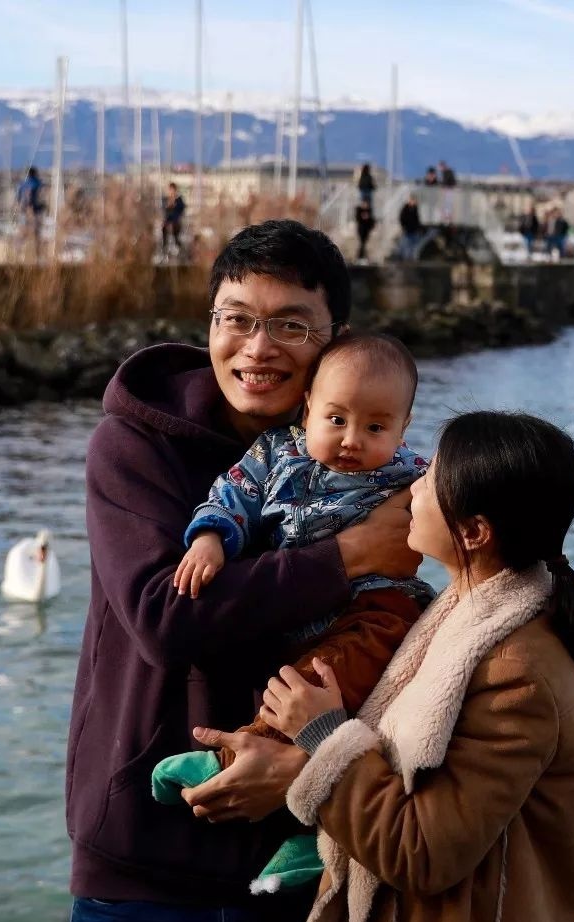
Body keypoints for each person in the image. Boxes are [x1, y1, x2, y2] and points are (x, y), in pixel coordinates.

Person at [64, 219, 422, 922]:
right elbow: (165, 619)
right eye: (237, 319)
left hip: (304, 863)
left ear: (336, 339)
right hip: (144, 868)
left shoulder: (374, 457)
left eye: (292, 324)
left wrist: (309, 768)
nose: (258, 348)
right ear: (210, 324)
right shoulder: (135, 446)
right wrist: (349, 553)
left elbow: (408, 638)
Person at [252, 410, 574, 922]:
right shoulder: (466, 610)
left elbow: (424, 853)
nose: (412, 483)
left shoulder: (518, 673)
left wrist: (323, 737)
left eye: (432, 477)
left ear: (474, 532)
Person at [156, 333, 434, 890]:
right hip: (297, 609)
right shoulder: (276, 454)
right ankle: (310, 825)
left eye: (376, 428)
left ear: (402, 430)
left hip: (375, 607)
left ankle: (239, 768)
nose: (352, 440)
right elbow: (232, 495)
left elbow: (466, 511)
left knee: (325, 684)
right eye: (336, 419)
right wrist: (211, 538)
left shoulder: (412, 474)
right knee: (299, 687)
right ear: (307, 408)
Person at [15, 166, 45, 262]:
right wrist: (42, 206)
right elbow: (41, 197)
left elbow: (18, 198)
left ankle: (18, 254)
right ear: (35, 173)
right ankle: (38, 256)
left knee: (22, 234)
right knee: (36, 234)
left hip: (24, 212)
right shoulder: (37, 183)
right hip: (34, 212)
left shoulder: (22, 184)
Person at [163, 182, 188, 259]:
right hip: (168, 221)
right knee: (164, 229)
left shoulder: (179, 200)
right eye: (170, 190)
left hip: (176, 221)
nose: (171, 192)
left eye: (172, 190)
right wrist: (168, 205)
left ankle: (177, 246)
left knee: (175, 229)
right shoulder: (165, 199)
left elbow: (182, 209)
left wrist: (175, 205)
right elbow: (163, 209)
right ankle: (165, 247)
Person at [397, 195, 423, 260]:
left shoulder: (415, 208)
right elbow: (402, 218)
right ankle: (404, 257)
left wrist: (418, 227)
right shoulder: (405, 208)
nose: (414, 202)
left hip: (414, 230)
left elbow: (417, 219)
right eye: (412, 201)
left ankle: (412, 257)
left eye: (414, 201)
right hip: (408, 229)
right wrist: (404, 226)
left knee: (414, 245)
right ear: (410, 201)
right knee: (406, 244)